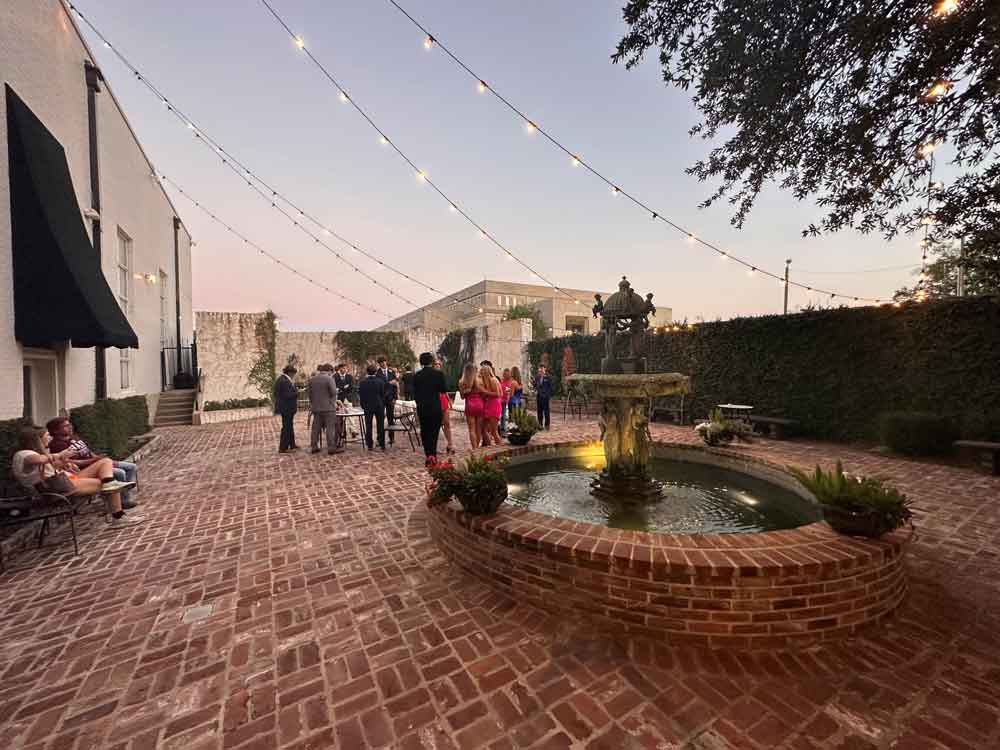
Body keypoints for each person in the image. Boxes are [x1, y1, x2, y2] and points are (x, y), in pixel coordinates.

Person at [12, 426, 142, 529]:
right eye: (47, 436)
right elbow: (40, 460)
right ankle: (118, 517)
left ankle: (110, 484)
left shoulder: (36, 452)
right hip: (56, 489)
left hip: (65, 480)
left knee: (105, 462)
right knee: (106, 484)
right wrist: (60, 454)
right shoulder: (24, 454)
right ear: (37, 439)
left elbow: (51, 466)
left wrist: (66, 463)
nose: (50, 437)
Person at [46, 417, 139, 509]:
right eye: (65, 426)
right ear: (56, 431)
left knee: (131, 467)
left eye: (69, 424)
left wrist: (97, 458)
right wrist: (95, 460)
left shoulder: (74, 437)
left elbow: (88, 451)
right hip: (86, 470)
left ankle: (123, 494)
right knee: (119, 473)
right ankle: (123, 501)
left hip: (96, 463)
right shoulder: (57, 445)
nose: (70, 427)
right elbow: (71, 463)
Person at [412, 352, 447, 465]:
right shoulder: (438, 374)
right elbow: (443, 390)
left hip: (422, 407)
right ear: (431, 361)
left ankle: (428, 455)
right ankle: (433, 455)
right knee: (434, 431)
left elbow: (414, 393)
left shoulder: (417, 376)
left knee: (425, 431)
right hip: (435, 407)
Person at [308, 364, 342, 455]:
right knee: (330, 428)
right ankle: (331, 448)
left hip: (316, 408)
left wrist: (313, 404)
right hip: (328, 408)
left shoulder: (312, 379)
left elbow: (310, 395)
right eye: (332, 372)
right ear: (329, 371)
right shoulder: (329, 379)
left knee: (315, 428)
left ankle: (314, 446)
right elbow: (334, 392)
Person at [358, 365, 387, 450]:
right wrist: (382, 404)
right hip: (379, 405)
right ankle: (382, 444)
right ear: (375, 372)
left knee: (368, 425)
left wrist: (363, 405)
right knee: (380, 425)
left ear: (367, 372)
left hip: (367, 406)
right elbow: (382, 395)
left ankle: (369, 444)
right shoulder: (380, 381)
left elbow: (361, 395)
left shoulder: (363, 382)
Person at [457, 363, 483, 451]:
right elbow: (482, 393)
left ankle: (474, 448)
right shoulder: (479, 381)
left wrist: (466, 392)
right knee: (478, 428)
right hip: (479, 405)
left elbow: (462, 397)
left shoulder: (461, 382)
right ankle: (478, 447)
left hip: (469, 405)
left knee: (471, 429)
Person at [274, 364, 299, 453]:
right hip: (286, 408)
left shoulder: (283, 379)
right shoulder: (284, 381)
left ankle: (292, 444)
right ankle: (283, 447)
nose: (294, 375)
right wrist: (297, 392)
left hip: (287, 407)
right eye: (293, 373)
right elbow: (287, 395)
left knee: (289, 426)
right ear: (289, 372)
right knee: (286, 427)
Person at [432, 358, 455, 455]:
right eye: (436, 364)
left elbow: (444, 390)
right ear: (433, 366)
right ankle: (434, 447)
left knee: (447, 423)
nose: (438, 365)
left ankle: (450, 445)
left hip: (443, 400)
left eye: (439, 364)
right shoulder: (431, 376)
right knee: (435, 426)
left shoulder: (441, 376)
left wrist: (449, 400)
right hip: (435, 401)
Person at [376, 357, 399, 446]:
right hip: (381, 399)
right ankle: (380, 439)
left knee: (391, 418)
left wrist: (395, 398)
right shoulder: (377, 373)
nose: (383, 363)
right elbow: (379, 385)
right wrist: (389, 383)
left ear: (386, 362)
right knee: (380, 419)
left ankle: (392, 438)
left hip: (390, 399)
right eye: (381, 362)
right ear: (379, 364)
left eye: (384, 361)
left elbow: (395, 385)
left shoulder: (391, 372)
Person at [480, 363, 503, 446]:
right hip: (488, 405)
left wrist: (484, 391)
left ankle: (500, 449)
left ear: (486, 372)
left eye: (482, 371)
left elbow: (498, 394)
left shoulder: (493, 380)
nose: (480, 373)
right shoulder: (487, 381)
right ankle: (490, 448)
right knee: (483, 429)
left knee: (494, 431)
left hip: (494, 406)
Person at [532, 364, 553, 430]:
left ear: (545, 369)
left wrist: (547, 394)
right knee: (539, 411)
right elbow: (535, 385)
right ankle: (540, 424)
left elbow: (550, 387)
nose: (541, 369)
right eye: (540, 368)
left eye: (542, 368)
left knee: (546, 411)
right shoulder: (537, 377)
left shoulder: (548, 377)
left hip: (545, 397)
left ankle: (547, 425)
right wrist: (535, 388)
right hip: (539, 396)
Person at [499, 368, 513, 436]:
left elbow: (509, 392)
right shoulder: (502, 381)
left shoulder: (509, 382)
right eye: (505, 373)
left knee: (503, 416)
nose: (506, 375)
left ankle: (502, 429)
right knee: (501, 416)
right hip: (500, 400)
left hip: (504, 400)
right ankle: (501, 429)